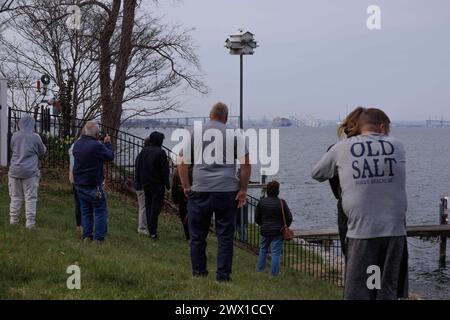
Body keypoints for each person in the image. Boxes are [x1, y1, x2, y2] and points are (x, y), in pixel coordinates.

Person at [312, 108, 408, 300]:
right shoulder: (398, 145)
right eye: (388, 129)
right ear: (382, 127)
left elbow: (317, 173)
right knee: (387, 290)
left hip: (361, 231)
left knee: (359, 292)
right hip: (395, 231)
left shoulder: (340, 148)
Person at [178, 102, 251, 282]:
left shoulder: (196, 133)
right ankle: (223, 277)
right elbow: (245, 164)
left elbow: (182, 163)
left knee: (197, 236)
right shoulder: (234, 134)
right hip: (226, 191)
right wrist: (242, 189)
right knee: (225, 236)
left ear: (210, 116)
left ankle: (199, 273)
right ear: (226, 118)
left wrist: (187, 186)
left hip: (200, 190)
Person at [329, 107, 366, 255]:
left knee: (349, 250)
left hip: (346, 203)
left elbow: (325, 176)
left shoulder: (337, 149)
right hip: (374, 207)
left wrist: (339, 194)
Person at [73, 121, 114, 243]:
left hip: (79, 183)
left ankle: (87, 236)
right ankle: (99, 238)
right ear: (96, 133)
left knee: (85, 210)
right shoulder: (96, 146)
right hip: (93, 184)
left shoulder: (77, 144)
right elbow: (110, 156)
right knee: (100, 210)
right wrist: (108, 144)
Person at [8, 115, 47, 229]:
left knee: (15, 196)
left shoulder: (15, 136)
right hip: (30, 171)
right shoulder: (35, 137)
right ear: (33, 124)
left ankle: (13, 220)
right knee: (30, 198)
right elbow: (42, 150)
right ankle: (30, 223)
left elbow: (12, 148)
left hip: (15, 170)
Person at [135, 131, 170, 240]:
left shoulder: (143, 151)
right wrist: (167, 185)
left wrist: (139, 181)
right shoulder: (161, 153)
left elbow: (139, 167)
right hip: (157, 185)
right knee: (155, 208)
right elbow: (165, 171)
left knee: (149, 206)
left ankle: (151, 230)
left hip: (146, 184)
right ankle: (153, 232)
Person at [255, 181, 293, 277]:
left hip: (265, 230)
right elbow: (289, 218)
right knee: (276, 253)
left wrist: (262, 224)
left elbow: (257, 218)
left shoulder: (261, 202)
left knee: (263, 249)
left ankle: (260, 271)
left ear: (267, 190)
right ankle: (274, 275)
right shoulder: (281, 202)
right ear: (278, 191)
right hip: (278, 231)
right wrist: (285, 227)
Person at [134, 137, 151, 236]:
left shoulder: (140, 155)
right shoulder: (143, 156)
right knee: (143, 206)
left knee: (144, 206)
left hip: (139, 184)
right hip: (142, 185)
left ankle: (145, 226)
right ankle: (142, 227)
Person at [171, 166, 192, 241]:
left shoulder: (178, 171)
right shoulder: (195, 169)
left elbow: (174, 186)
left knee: (184, 216)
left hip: (182, 195)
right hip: (192, 194)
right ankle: (191, 235)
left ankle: (188, 236)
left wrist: (175, 199)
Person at [69, 133, 82, 236]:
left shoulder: (74, 146)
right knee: (85, 204)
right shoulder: (82, 146)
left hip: (74, 178)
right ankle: (84, 227)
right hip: (81, 178)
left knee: (78, 203)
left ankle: (79, 226)